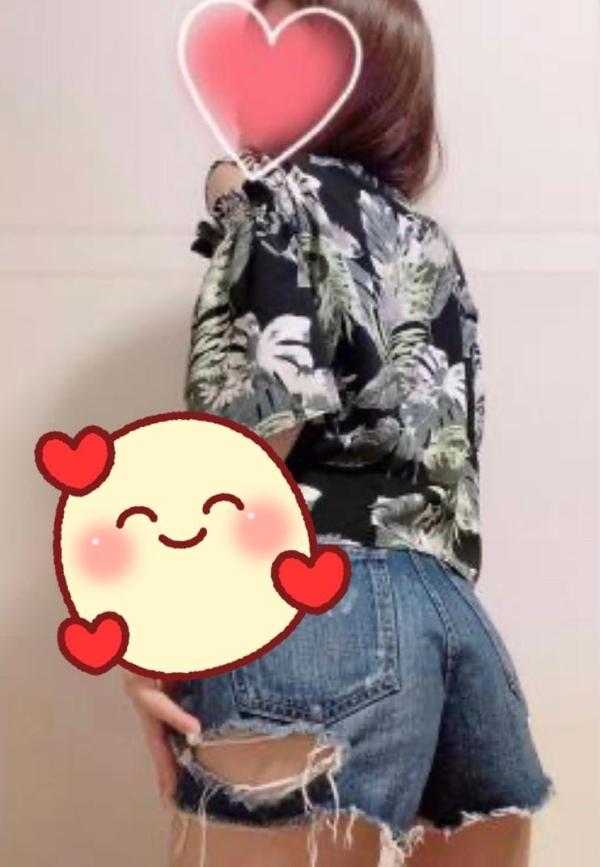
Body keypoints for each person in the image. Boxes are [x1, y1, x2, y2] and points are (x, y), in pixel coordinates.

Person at [123, 1, 555, 864]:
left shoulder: (271, 205)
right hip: (458, 631)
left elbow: (254, 443)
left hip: (314, 609)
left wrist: (145, 632)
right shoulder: (429, 245)